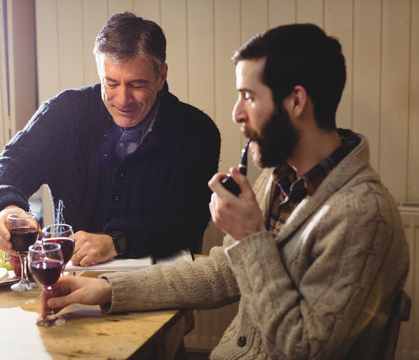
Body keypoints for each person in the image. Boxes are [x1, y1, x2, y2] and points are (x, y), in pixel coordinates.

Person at [41, 23, 409, 359]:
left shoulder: (364, 215)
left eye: (248, 96)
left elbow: (304, 348)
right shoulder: (283, 179)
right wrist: (107, 290)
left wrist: (250, 236)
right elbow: (221, 273)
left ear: (296, 102)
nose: (236, 113)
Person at [0, 12, 221, 266]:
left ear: (162, 76)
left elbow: (183, 221)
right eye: (111, 83)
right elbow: (11, 164)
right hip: (71, 282)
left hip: (161, 287)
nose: (123, 99)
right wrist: (6, 209)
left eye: (137, 85)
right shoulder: (65, 112)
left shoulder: (197, 132)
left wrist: (117, 241)